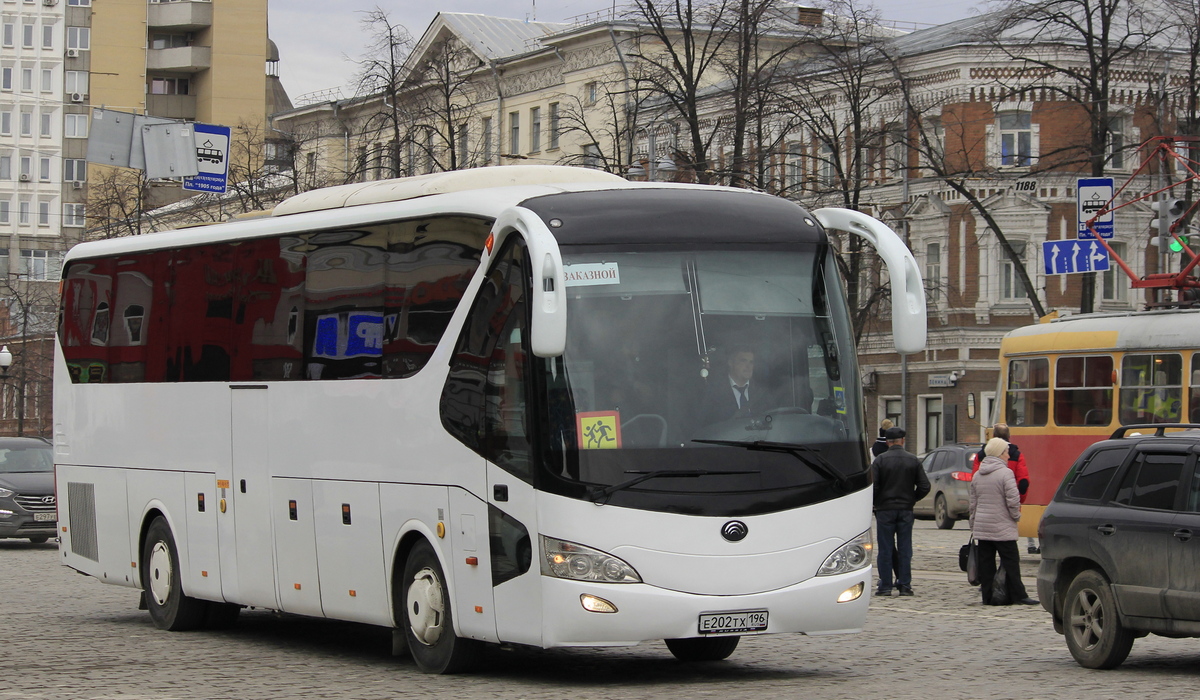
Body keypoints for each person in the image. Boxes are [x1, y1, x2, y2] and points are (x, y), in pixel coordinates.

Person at [969, 437, 1038, 606]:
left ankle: (988, 596)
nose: (1008, 455)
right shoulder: (1006, 473)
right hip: (1002, 525)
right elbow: (1013, 500)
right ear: (1000, 453)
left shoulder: (978, 475)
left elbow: (973, 502)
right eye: (1006, 452)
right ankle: (1018, 595)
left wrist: (973, 523)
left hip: (983, 525)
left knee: (986, 563)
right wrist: (1016, 516)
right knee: (1011, 561)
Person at [872, 426, 930, 597]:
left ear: (887, 442)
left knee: (885, 548)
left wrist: (877, 502)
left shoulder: (880, 461)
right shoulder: (912, 460)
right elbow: (925, 486)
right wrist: (912, 499)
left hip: (885, 510)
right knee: (905, 548)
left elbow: (874, 487)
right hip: (905, 509)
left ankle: (885, 586)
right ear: (902, 441)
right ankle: (905, 584)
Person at [972, 423, 1037, 553]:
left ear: (993, 435)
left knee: (985, 558)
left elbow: (974, 486)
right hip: (1006, 513)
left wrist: (973, 517)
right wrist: (1019, 504)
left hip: (983, 515)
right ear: (1009, 436)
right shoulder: (1016, 455)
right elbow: (1023, 482)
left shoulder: (980, 456)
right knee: (1009, 558)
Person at [700, 346, 773, 424]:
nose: (748, 367)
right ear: (730, 363)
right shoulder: (713, 393)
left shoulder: (762, 393)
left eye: (751, 362)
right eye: (743, 361)